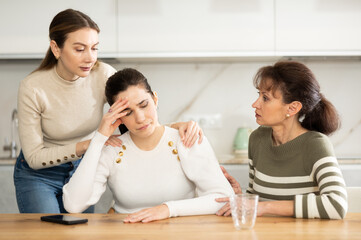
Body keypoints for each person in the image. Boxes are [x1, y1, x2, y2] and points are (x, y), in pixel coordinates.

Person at [14, 9, 202, 214]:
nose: (90, 58)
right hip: (40, 176)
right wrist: (91, 144)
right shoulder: (32, 87)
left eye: (94, 48)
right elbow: (34, 157)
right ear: (56, 48)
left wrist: (175, 128)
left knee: (79, 234)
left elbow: (137, 115)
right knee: (46, 235)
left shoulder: (102, 74)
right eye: (79, 49)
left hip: (83, 168)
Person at [62, 68, 234, 222]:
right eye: (127, 112)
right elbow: (73, 205)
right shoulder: (112, 149)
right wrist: (99, 138)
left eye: (144, 105)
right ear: (117, 117)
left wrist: (168, 209)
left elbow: (224, 198)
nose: (141, 118)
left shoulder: (186, 138)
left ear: (155, 99)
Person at [216, 61, 348, 219]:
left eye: (265, 98)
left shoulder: (315, 144)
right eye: (258, 94)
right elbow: (257, 202)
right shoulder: (257, 139)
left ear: (292, 108)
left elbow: (337, 204)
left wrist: (264, 206)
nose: (255, 104)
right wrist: (240, 196)